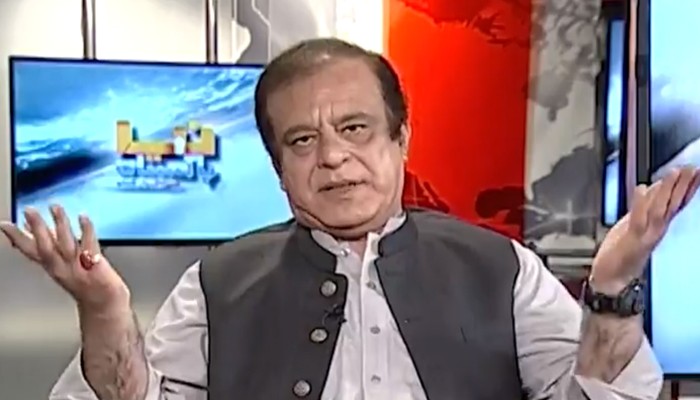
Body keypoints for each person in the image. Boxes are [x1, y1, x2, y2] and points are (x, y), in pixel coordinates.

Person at [1, 38, 696, 400]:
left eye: (356, 129)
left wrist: (611, 290)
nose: (333, 157)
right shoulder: (216, 282)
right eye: (303, 140)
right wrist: (104, 311)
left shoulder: (500, 267)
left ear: (401, 139)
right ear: (278, 167)